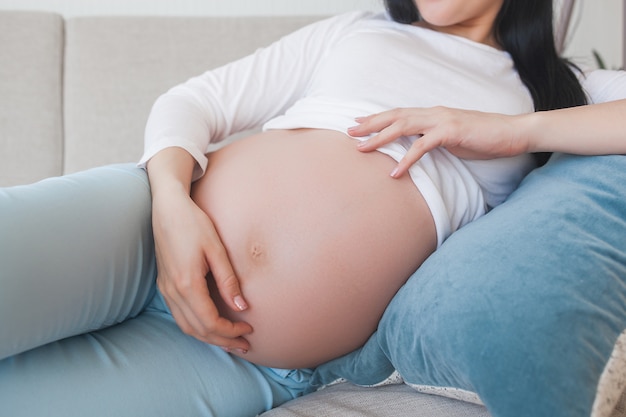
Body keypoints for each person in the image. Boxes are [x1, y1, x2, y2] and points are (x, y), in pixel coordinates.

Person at [1, 0, 625, 416]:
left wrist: (514, 131)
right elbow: (194, 102)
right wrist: (169, 204)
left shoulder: (562, 91)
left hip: (242, 361)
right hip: (137, 233)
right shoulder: (357, 30)